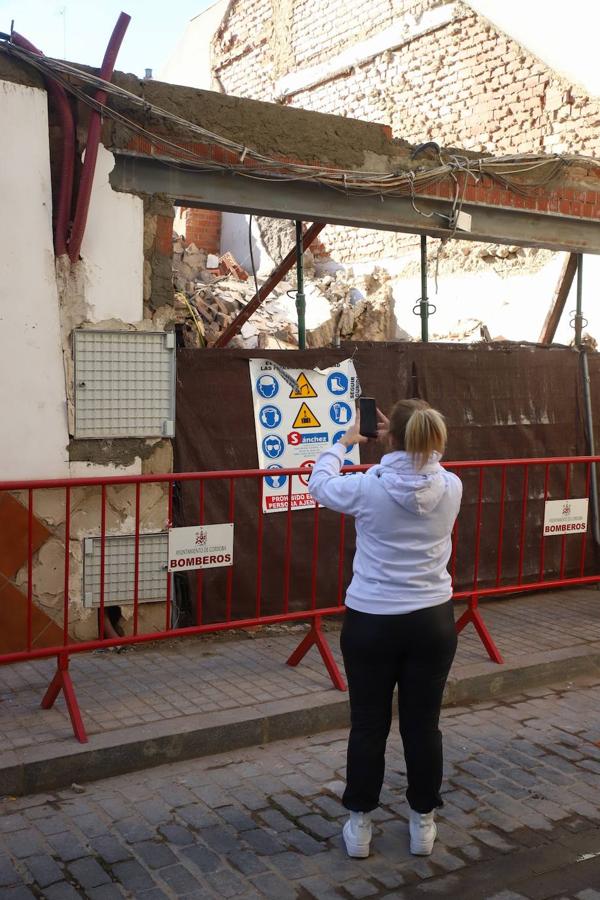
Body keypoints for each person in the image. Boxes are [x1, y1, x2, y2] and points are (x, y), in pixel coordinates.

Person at [308, 399, 462, 859]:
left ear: (389, 438)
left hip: (372, 620)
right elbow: (426, 466)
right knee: (423, 726)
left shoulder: (367, 487)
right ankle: (423, 823)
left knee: (368, 725)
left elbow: (319, 484)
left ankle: (359, 824)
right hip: (432, 620)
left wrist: (344, 442)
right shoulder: (452, 485)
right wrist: (401, 439)